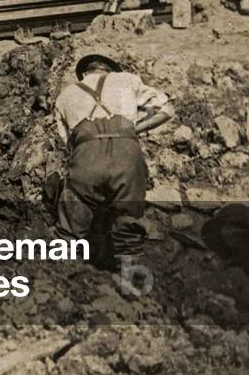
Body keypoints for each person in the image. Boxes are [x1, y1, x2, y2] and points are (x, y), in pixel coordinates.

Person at [52, 47, 173, 277]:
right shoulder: (127, 80)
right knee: (129, 228)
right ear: (111, 69)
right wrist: (132, 130)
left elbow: (67, 142)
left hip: (86, 157)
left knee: (69, 230)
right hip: (127, 156)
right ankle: (132, 289)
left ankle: (62, 285)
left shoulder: (65, 95)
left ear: (85, 73)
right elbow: (167, 110)